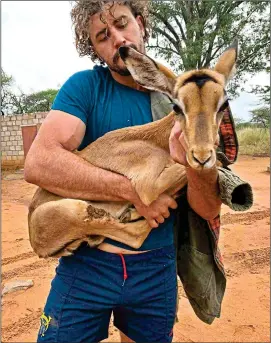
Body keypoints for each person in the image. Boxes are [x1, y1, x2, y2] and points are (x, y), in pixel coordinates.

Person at [24, 1, 222, 342]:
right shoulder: (85, 88)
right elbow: (39, 162)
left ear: (141, 23)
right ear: (96, 49)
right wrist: (132, 191)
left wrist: (197, 166)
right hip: (87, 267)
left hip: (156, 267)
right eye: (103, 35)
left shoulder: (178, 99)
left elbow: (207, 209)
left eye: (121, 23)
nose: (117, 38)